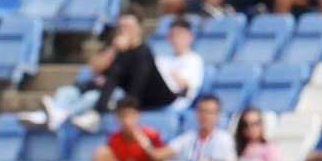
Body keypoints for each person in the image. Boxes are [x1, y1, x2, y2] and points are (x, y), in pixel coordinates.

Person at [33, 14, 203, 132]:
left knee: (138, 53)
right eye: (172, 35)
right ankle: (53, 113)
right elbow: (95, 68)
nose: (175, 39)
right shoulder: (163, 58)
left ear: (190, 37)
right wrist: (115, 50)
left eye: (179, 35)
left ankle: (80, 112)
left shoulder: (193, 60)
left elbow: (183, 85)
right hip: (141, 91)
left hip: (168, 97)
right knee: (69, 91)